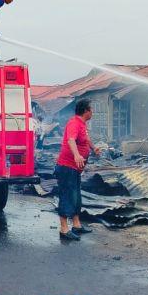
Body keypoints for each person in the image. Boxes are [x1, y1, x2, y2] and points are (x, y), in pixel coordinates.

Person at [54, 99, 101, 241]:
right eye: (91, 109)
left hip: (75, 168)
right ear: (86, 111)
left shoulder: (82, 124)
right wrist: (76, 154)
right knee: (67, 195)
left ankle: (76, 225)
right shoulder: (74, 122)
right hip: (67, 167)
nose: (93, 112)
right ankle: (63, 229)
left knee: (76, 196)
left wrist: (94, 148)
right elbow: (70, 140)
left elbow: (86, 139)